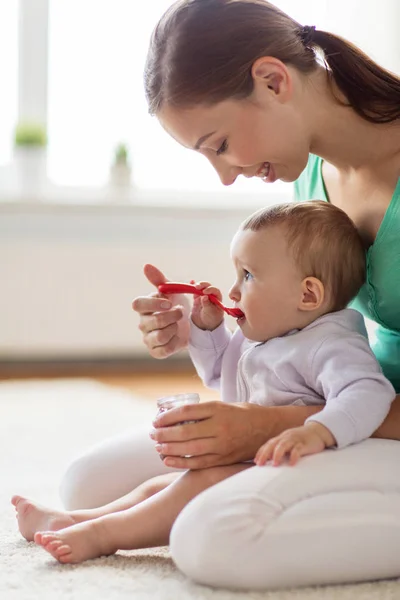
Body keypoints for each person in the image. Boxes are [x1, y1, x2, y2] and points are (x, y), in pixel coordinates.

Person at [47, 0, 400, 589]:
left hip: (366, 415)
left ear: (273, 80)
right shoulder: (311, 177)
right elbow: (299, 332)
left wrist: (267, 425)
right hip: (342, 407)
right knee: (89, 483)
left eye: (218, 144)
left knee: (212, 538)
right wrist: (207, 329)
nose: (227, 176)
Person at [12, 201, 395, 565]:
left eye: (248, 276)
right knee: (160, 486)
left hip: (311, 462)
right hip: (255, 455)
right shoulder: (270, 332)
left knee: (192, 487)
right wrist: (207, 329)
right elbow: (221, 376)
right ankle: (77, 519)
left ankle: (104, 536)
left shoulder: (331, 344)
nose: (232, 292)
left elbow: (368, 392)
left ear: (308, 294)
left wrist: (318, 432)